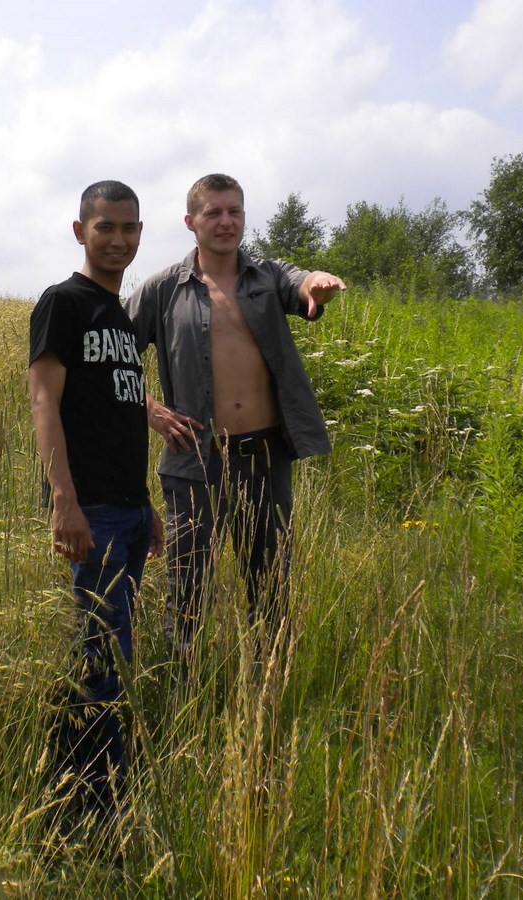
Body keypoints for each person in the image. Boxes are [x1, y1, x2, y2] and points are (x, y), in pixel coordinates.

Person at [124, 173, 345, 655]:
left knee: (270, 587)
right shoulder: (162, 289)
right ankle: (185, 691)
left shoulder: (266, 275)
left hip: (266, 457)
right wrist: (150, 409)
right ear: (191, 222)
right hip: (194, 460)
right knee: (187, 590)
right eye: (214, 213)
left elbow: (299, 282)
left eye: (235, 212)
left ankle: (266, 691)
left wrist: (316, 284)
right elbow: (110, 355)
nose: (226, 222)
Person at [28, 180, 163, 822]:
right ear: (80, 231)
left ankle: (82, 790)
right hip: (92, 515)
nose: (118, 240)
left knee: (110, 654)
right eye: (105, 227)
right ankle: (95, 811)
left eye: (129, 229)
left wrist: (146, 507)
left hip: (128, 512)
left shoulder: (123, 318)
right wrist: (64, 501)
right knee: (101, 663)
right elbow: (43, 402)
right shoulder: (65, 303)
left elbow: (119, 412)